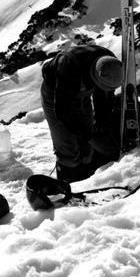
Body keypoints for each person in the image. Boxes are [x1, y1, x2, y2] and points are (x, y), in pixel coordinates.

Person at [40, 43, 123, 182]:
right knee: (67, 143)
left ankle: (87, 177)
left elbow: (103, 99)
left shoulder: (111, 66)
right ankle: (68, 179)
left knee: (87, 145)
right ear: (95, 76)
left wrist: (101, 125)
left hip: (82, 89)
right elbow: (62, 112)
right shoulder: (69, 66)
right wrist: (86, 135)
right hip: (55, 93)